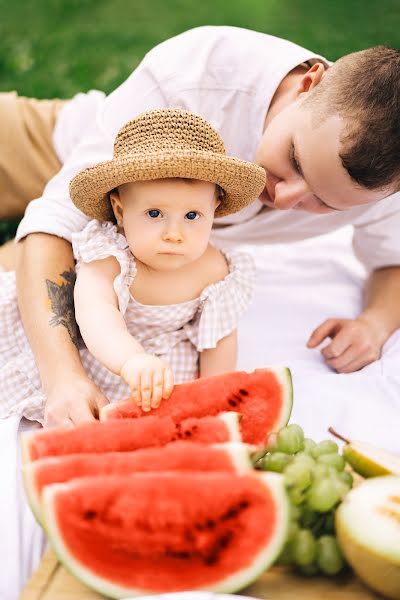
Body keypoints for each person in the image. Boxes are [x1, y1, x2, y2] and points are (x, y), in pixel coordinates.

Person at [1, 26, 400, 428]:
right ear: (308, 84)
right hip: (63, 146)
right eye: (294, 159)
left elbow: (394, 259)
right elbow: (55, 222)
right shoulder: (204, 70)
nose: (283, 198)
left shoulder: (387, 184)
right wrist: (63, 380)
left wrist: (375, 322)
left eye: (324, 203)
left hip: (133, 239)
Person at [0, 108, 264, 421]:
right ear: (120, 211)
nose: (174, 234)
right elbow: (97, 315)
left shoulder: (217, 270)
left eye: (192, 216)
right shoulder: (111, 256)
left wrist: (213, 397)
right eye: (154, 214)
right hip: (100, 354)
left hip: (165, 367)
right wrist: (131, 361)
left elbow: (218, 338)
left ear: (214, 208)